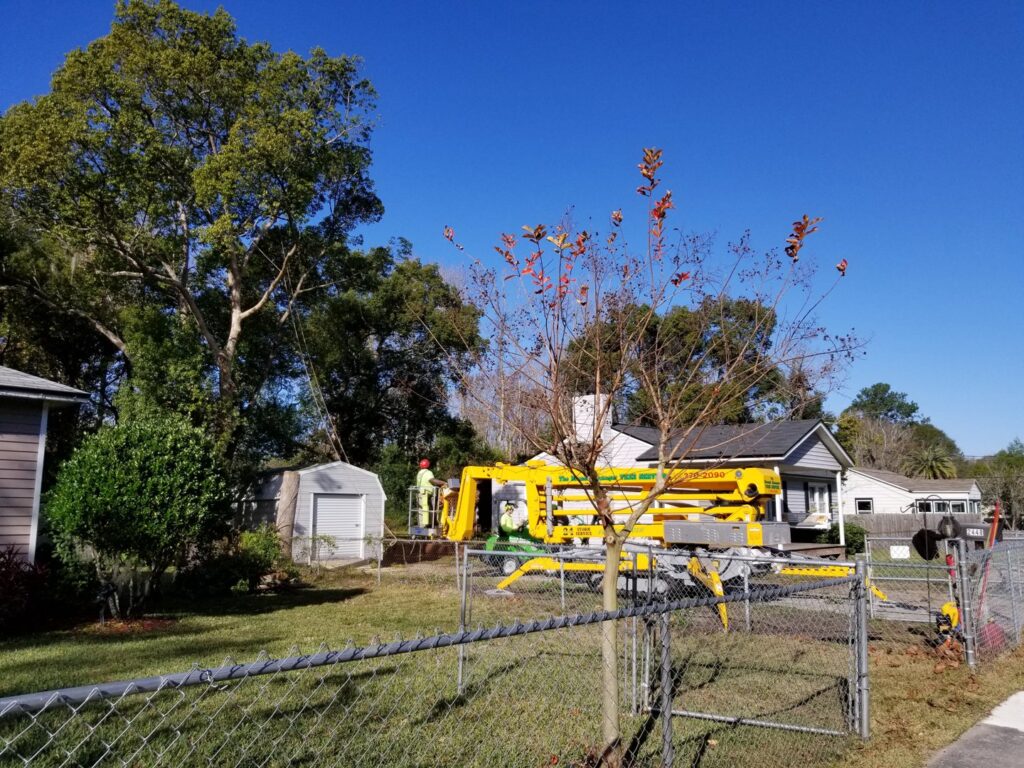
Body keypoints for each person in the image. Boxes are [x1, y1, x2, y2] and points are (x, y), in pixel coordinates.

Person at [415, 459, 445, 527]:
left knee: (422, 510)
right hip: (427, 493)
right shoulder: (428, 472)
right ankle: (430, 524)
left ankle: (422, 525)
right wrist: (444, 483)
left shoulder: (420, 473)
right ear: (428, 465)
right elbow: (432, 480)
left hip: (421, 493)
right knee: (430, 509)